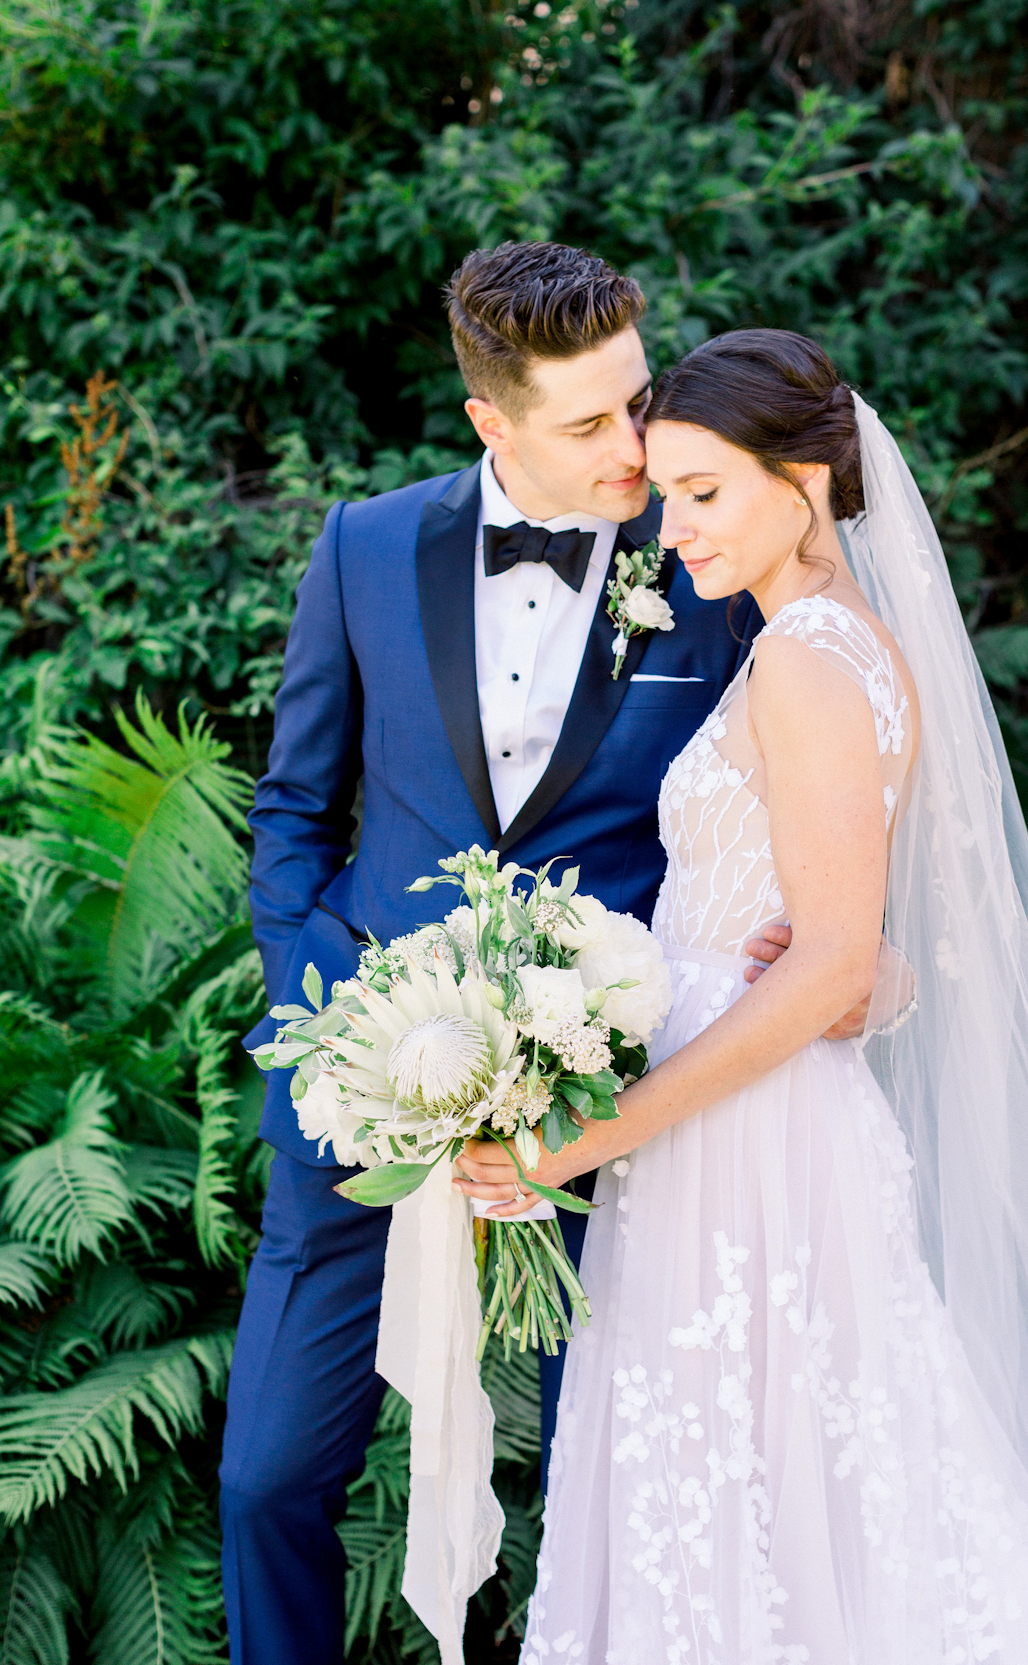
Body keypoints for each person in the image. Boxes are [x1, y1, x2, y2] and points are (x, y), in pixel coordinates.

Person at [459, 330, 1028, 1663]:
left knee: (789, 1519)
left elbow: (836, 961)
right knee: (802, 1518)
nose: (670, 526)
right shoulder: (841, 643)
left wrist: (585, 1135)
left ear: (802, 477)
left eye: (702, 492)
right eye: (666, 493)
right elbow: (854, 941)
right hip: (747, 1136)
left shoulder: (807, 656)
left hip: (749, 1156)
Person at [220, 246, 848, 1665]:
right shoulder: (365, 547)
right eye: (588, 424)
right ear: (489, 423)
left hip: (615, 1099)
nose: (636, 447)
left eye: (638, 400)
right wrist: (335, 1020)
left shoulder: (709, 551)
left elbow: (813, 765)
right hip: (361, 1085)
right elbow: (294, 805)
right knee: (265, 1477)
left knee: (615, 1479)